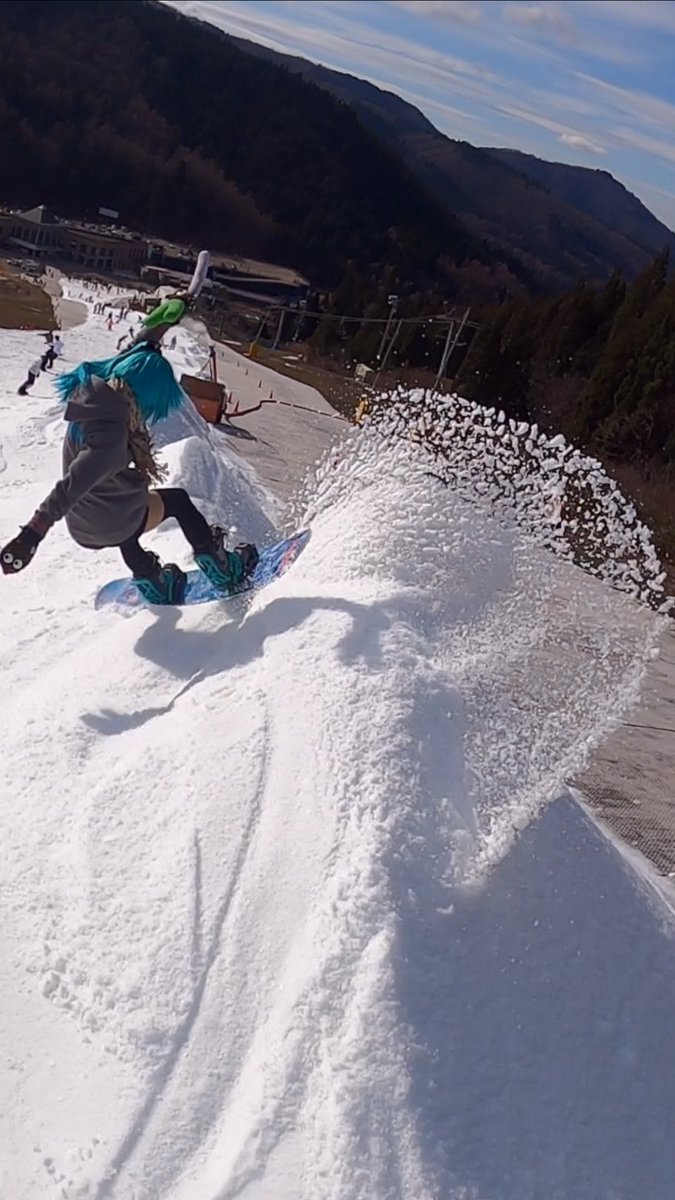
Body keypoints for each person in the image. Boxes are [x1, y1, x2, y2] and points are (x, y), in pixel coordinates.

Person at [1, 323, 258, 604]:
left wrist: (160, 325)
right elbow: (71, 485)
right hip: (106, 517)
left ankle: (154, 581)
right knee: (179, 502)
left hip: (85, 521)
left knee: (127, 508)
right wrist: (32, 534)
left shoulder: (94, 392)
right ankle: (223, 568)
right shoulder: (112, 435)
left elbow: (131, 354)